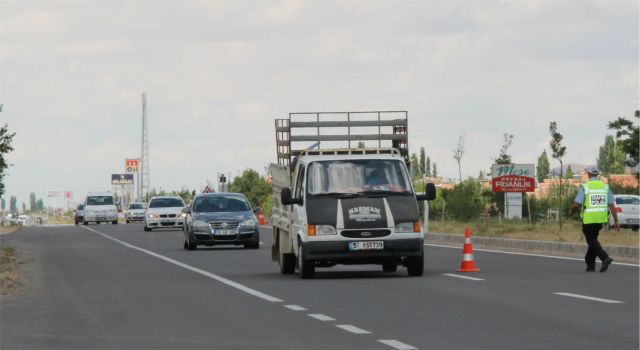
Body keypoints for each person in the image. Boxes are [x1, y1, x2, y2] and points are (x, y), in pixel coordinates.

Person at [570, 165, 619, 272]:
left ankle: (605, 258)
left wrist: (572, 210)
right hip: (600, 220)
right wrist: (616, 221)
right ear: (598, 174)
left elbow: (577, 204)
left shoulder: (585, 186)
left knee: (591, 240)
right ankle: (590, 264)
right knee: (593, 241)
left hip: (589, 219)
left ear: (588, 174)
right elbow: (612, 205)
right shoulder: (605, 186)